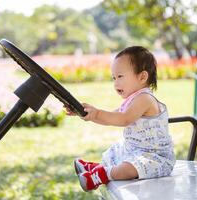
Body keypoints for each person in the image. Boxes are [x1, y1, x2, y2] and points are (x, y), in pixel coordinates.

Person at [65, 46, 175, 192]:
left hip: (155, 158)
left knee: (130, 168)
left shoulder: (145, 98)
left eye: (120, 77)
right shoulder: (132, 100)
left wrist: (97, 113)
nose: (116, 83)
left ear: (142, 77)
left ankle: (101, 174)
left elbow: (123, 119)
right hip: (135, 150)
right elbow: (111, 118)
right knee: (117, 154)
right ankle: (96, 168)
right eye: (114, 78)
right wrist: (88, 114)